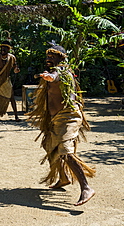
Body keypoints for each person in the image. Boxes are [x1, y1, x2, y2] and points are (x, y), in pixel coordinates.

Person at [28, 43, 95, 206]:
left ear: (61, 58)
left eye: (52, 56)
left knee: (65, 151)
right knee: (49, 147)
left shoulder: (63, 71)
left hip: (68, 117)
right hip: (56, 119)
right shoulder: (54, 72)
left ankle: (86, 188)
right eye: (48, 57)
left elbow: (57, 76)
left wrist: (50, 77)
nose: (48, 59)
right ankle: (64, 178)